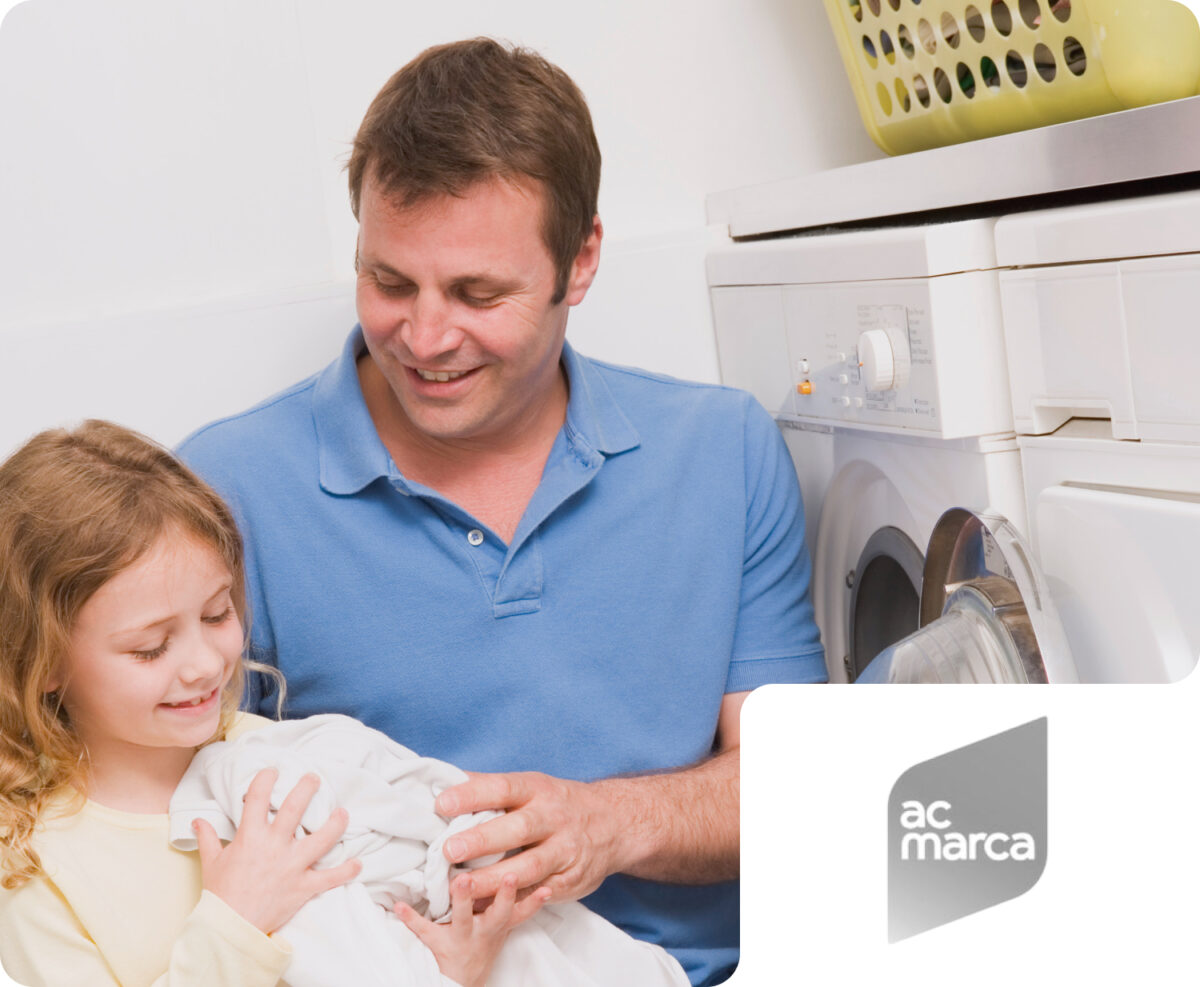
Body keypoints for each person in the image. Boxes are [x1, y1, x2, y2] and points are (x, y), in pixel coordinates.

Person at [179, 37, 825, 986]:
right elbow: (166, 823)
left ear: (583, 257)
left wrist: (608, 826)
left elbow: (801, 790)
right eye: (389, 282)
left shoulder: (719, 450)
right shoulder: (227, 489)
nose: (426, 336)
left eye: (479, 293)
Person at [0, 421, 550, 987]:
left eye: (217, 614)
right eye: (150, 648)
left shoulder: (285, 759)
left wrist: (452, 969)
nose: (206, 665)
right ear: (41, 660)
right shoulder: (29, 865)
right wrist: (234, 922)